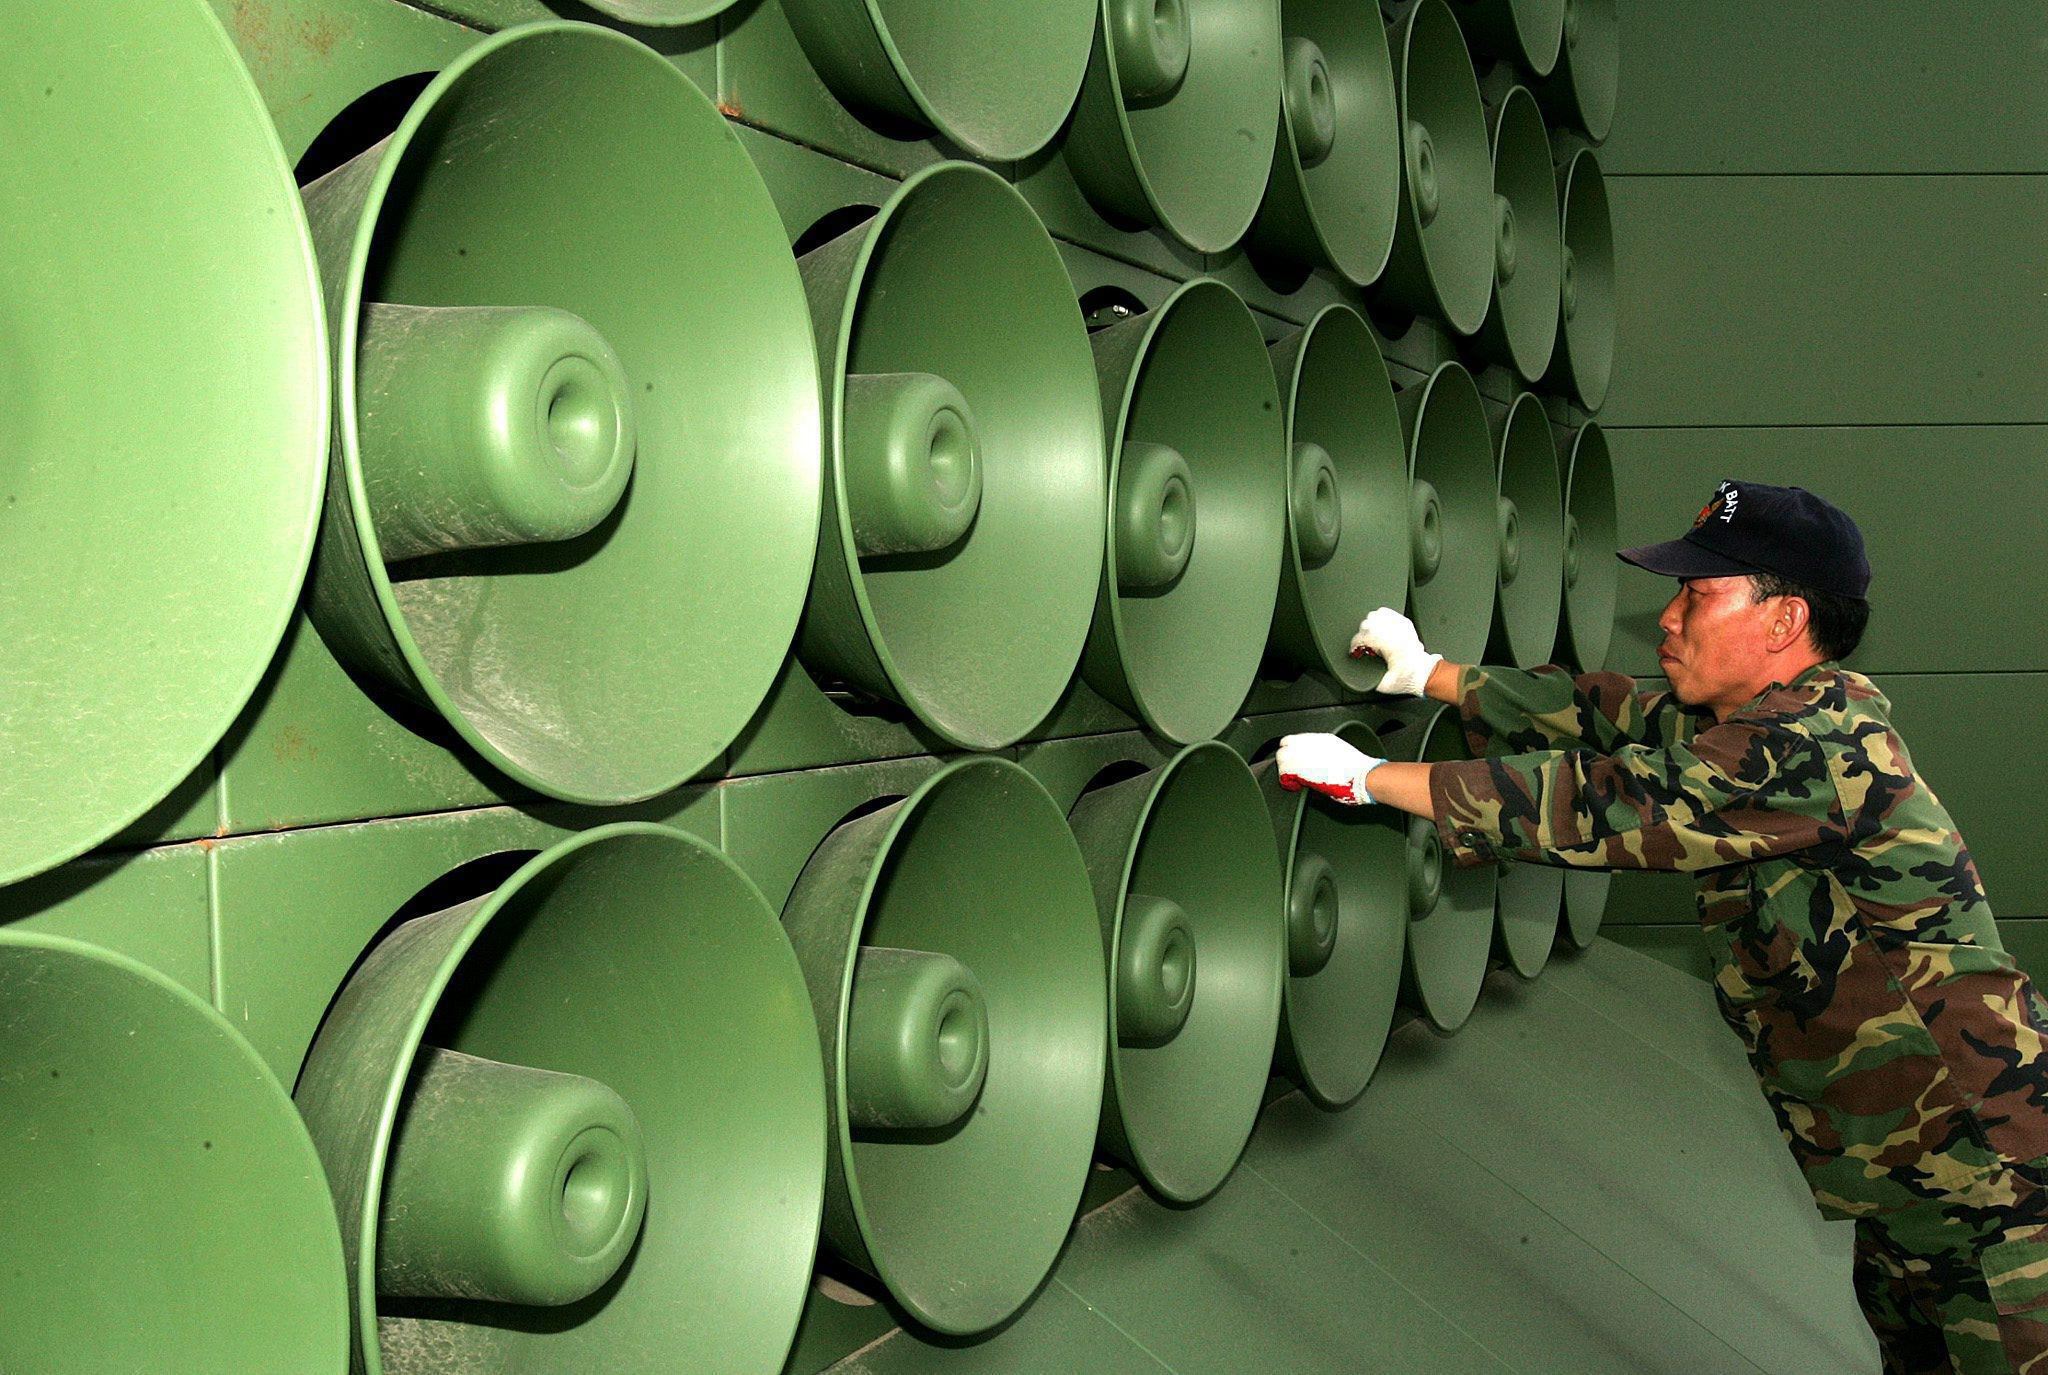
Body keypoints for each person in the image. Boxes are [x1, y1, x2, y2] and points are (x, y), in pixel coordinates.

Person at [1277, 480, 2048, 1374]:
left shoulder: (1816, 744)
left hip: (1993, 1184)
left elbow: (1618, 802)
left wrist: (1374, 780)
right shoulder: (1754, 724)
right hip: (1912, 1179)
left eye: (1699, 594)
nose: (1670, 619)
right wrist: (1435, 677)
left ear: (1783, 619)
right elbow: (1607, 718)